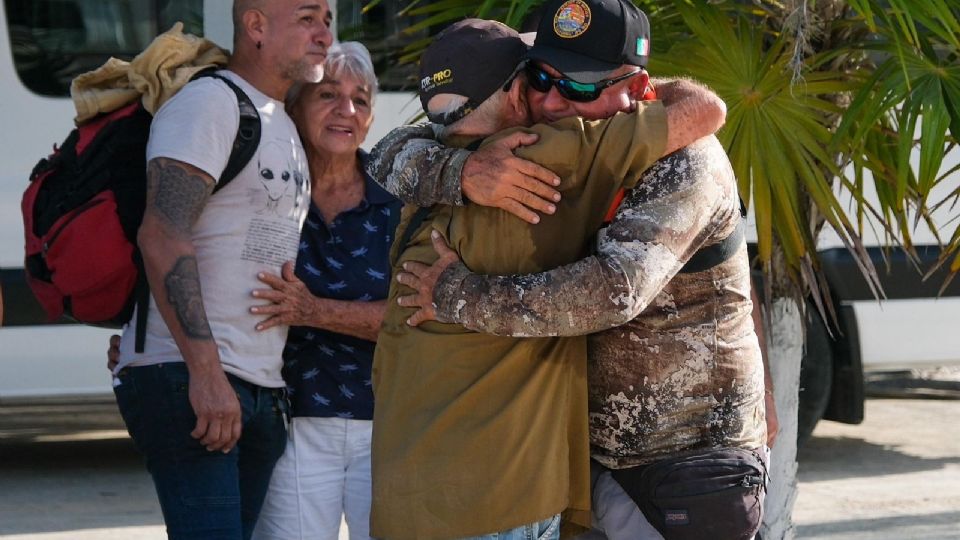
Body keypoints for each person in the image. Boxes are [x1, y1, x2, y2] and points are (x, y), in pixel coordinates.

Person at [380, 1, 771, 538]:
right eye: (541, 77)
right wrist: (463, 170)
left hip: (684, 463)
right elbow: (396, 147)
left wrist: (458, 296)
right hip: (588, 463)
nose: (552, 100)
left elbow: (615, 291)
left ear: (638, 89)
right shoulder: (553, 146)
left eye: (581, 86)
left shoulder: (685, 161)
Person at [110, 1, 332, 538]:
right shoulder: (210, 104)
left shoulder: (279, 116)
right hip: (194, 379)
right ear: (255, 26)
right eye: (308, 17)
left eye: (328, 17)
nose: (325, 32)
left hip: (255, 387)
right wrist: (207, 375)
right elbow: (162, 235)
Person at [250, 41, 400, 540]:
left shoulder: (397, 203)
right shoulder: (266, 191)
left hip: (387, 426)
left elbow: (412, 318)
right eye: (328, 95)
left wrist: (311, 310)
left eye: (361, 99)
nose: (347, 111)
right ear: (293, 105)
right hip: (291, 422)